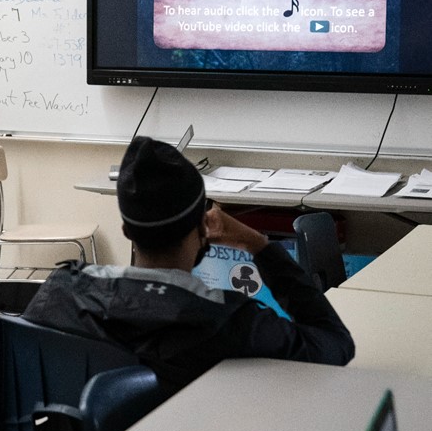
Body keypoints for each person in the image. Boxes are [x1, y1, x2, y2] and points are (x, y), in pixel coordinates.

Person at [23, 136, 355, 390]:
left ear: (126, 230)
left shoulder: (61, 290)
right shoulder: (226, 320)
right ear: (202, 228)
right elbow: (334, 344)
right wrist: (258, 244)